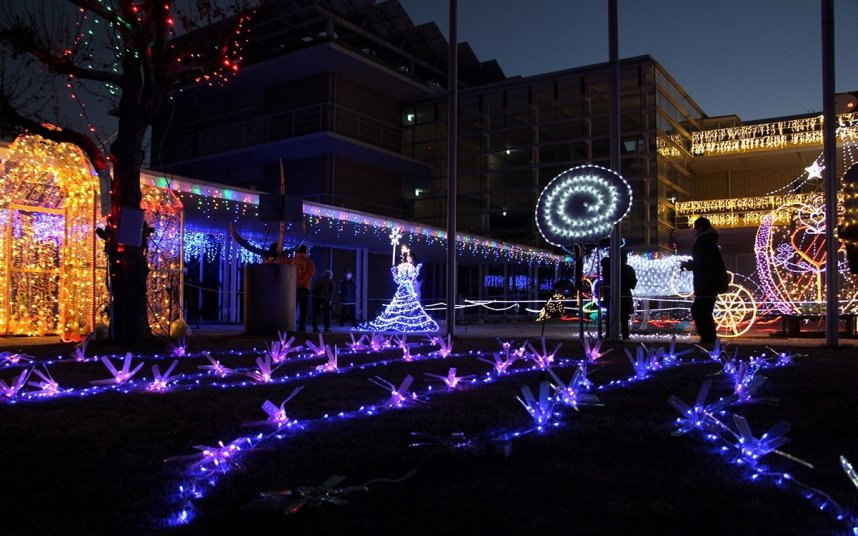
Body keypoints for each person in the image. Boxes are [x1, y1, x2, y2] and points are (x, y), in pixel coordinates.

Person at [681, 217, 729, 345]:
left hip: (707, 283)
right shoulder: (709, 241)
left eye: (695, 227)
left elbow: (703, 263)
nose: (693, 231)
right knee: (703, 310)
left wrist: (690, 265)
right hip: (709, 283)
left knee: (700, 310)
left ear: (700, 228)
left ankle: (708, 338)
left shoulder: (704, 242)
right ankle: (709, 338)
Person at [600, 249, 638, 339]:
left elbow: (605, 281)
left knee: (610, 315)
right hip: (624, 295)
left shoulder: (608, 267)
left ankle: (609, 333)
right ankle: (624, 335)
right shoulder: (627, 269)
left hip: (610, 294)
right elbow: (633, 283)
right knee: (624, 317)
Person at [287, 245, 315, 332]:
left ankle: (290, 326)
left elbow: (287, 273)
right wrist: (302, 282)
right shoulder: (309, 262)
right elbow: (310, 274)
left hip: (292, 287)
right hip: (305, 288)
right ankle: (302, 327)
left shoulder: (291, 261)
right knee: (304, 308)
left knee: (292, 308)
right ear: (305, 251)